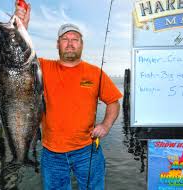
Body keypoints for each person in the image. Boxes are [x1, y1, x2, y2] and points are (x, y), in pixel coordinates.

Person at [15, 2, 122, 190]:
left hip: (88, 150)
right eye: (65, 39)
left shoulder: (95, 73)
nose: (70, 43)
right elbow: (19, 58)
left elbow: (113, 102)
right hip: (51, 153)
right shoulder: (42, 67)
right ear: (58, 44)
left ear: (81, 44)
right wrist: (22, 27)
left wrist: (105, 125)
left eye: (75, 39)